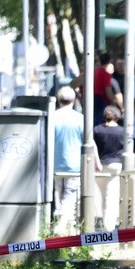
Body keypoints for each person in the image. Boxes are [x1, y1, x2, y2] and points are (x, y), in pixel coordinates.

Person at [52, 85, 85, 234]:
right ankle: (62, 228)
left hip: (54, 165)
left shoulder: (52, 117)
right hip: (74, 165)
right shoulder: (80, 118)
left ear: (58, 101)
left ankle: (64, 227)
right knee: (70, 197)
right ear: (73, 100)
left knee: (58, 196)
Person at [93, 105, 127, 231]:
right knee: (111, 196)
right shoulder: (122, 131)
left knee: (100, 195)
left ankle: (99, 222)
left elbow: (92, 146)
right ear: (117, 116)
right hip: (115, 165)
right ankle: (109, 225)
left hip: (100, 165)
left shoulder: (96, 130)